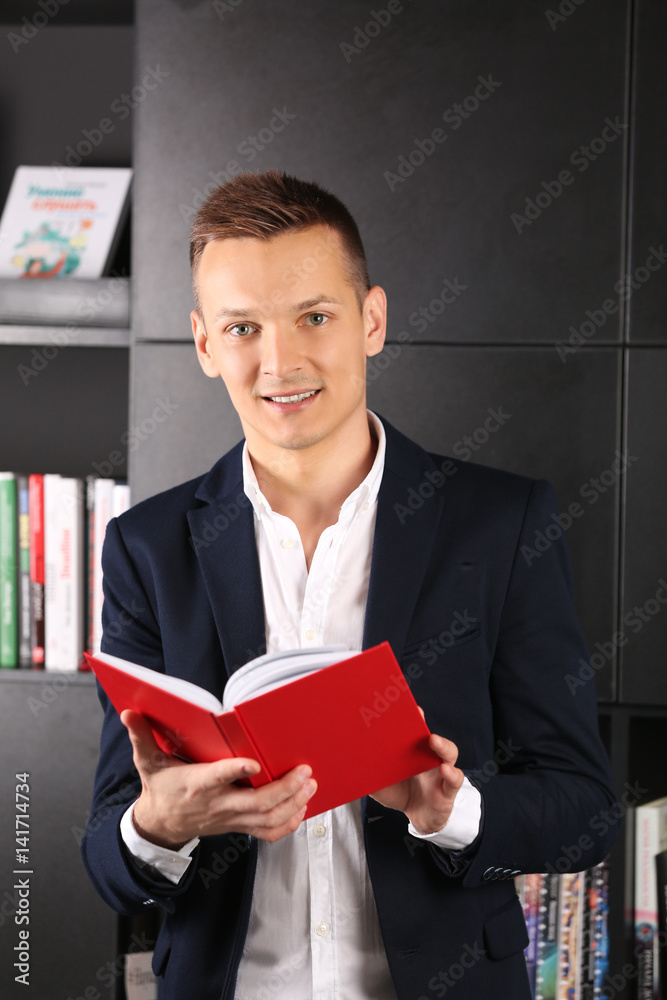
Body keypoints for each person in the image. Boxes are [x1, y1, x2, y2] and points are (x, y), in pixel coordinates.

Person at [82, 169, 617, 1000]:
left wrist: (452, 812)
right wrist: (157, 826)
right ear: (203, 344)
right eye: (242, 327)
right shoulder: (146, 547)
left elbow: (584, 810)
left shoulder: (499, 522)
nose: (279, 361)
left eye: (314, 318)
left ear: (371, 319)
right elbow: (110, 863)